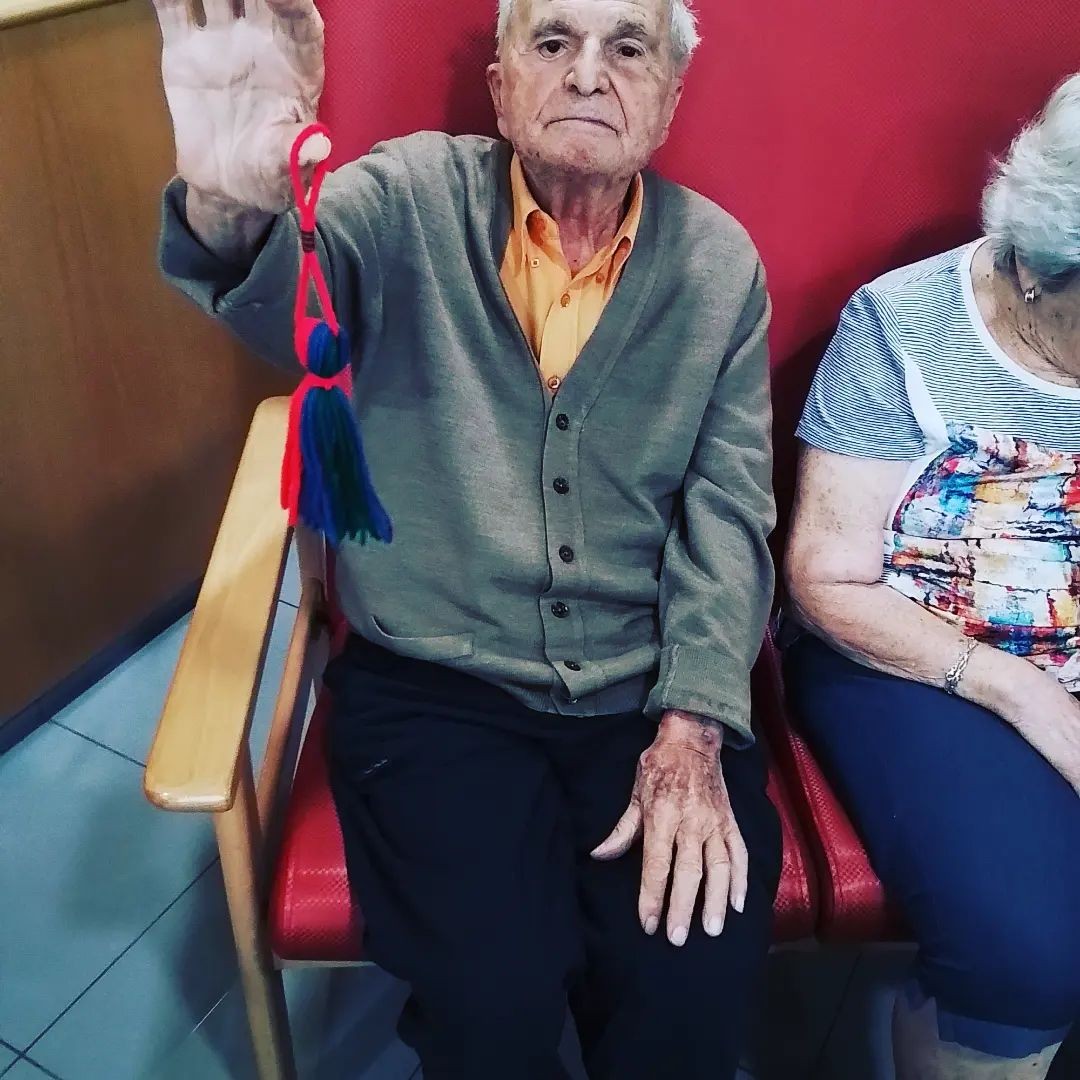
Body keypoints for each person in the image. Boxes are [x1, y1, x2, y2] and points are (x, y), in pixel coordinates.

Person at [152, 1, 781, 1077]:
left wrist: (694, 723)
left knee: (689, 991)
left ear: (669, 99)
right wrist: (228, 203)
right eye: (553, 42)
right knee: (490, 1007)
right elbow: (283, 307)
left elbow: (730, 508)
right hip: (435, 688)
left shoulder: (720, 266)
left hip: (646, 693)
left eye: (629, 48)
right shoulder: (405, 197)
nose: (589, 73)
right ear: (499, 86)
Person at [784, 73, 1080, 1080]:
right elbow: (829, 581)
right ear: (1040, 263)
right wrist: (1026, 693)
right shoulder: (905, 327)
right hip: (917, 657)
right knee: (1028, 953)